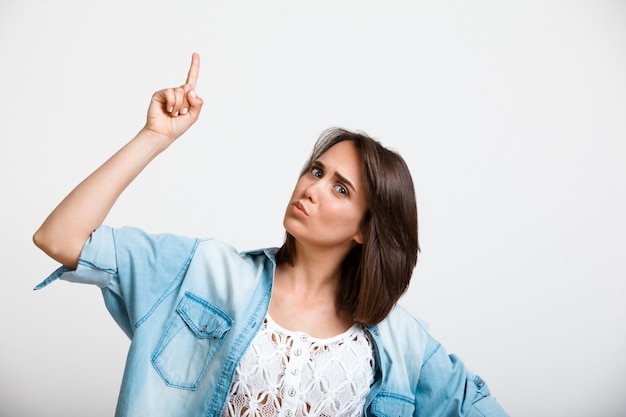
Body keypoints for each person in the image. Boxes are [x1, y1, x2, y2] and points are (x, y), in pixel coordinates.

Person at [33, 53, 509, 417]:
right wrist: (154, 136)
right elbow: (61, 237)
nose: (312, 187)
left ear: (366, 228)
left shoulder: (399, 341)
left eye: (340, 188)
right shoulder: (205, 274)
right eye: (315, 171)